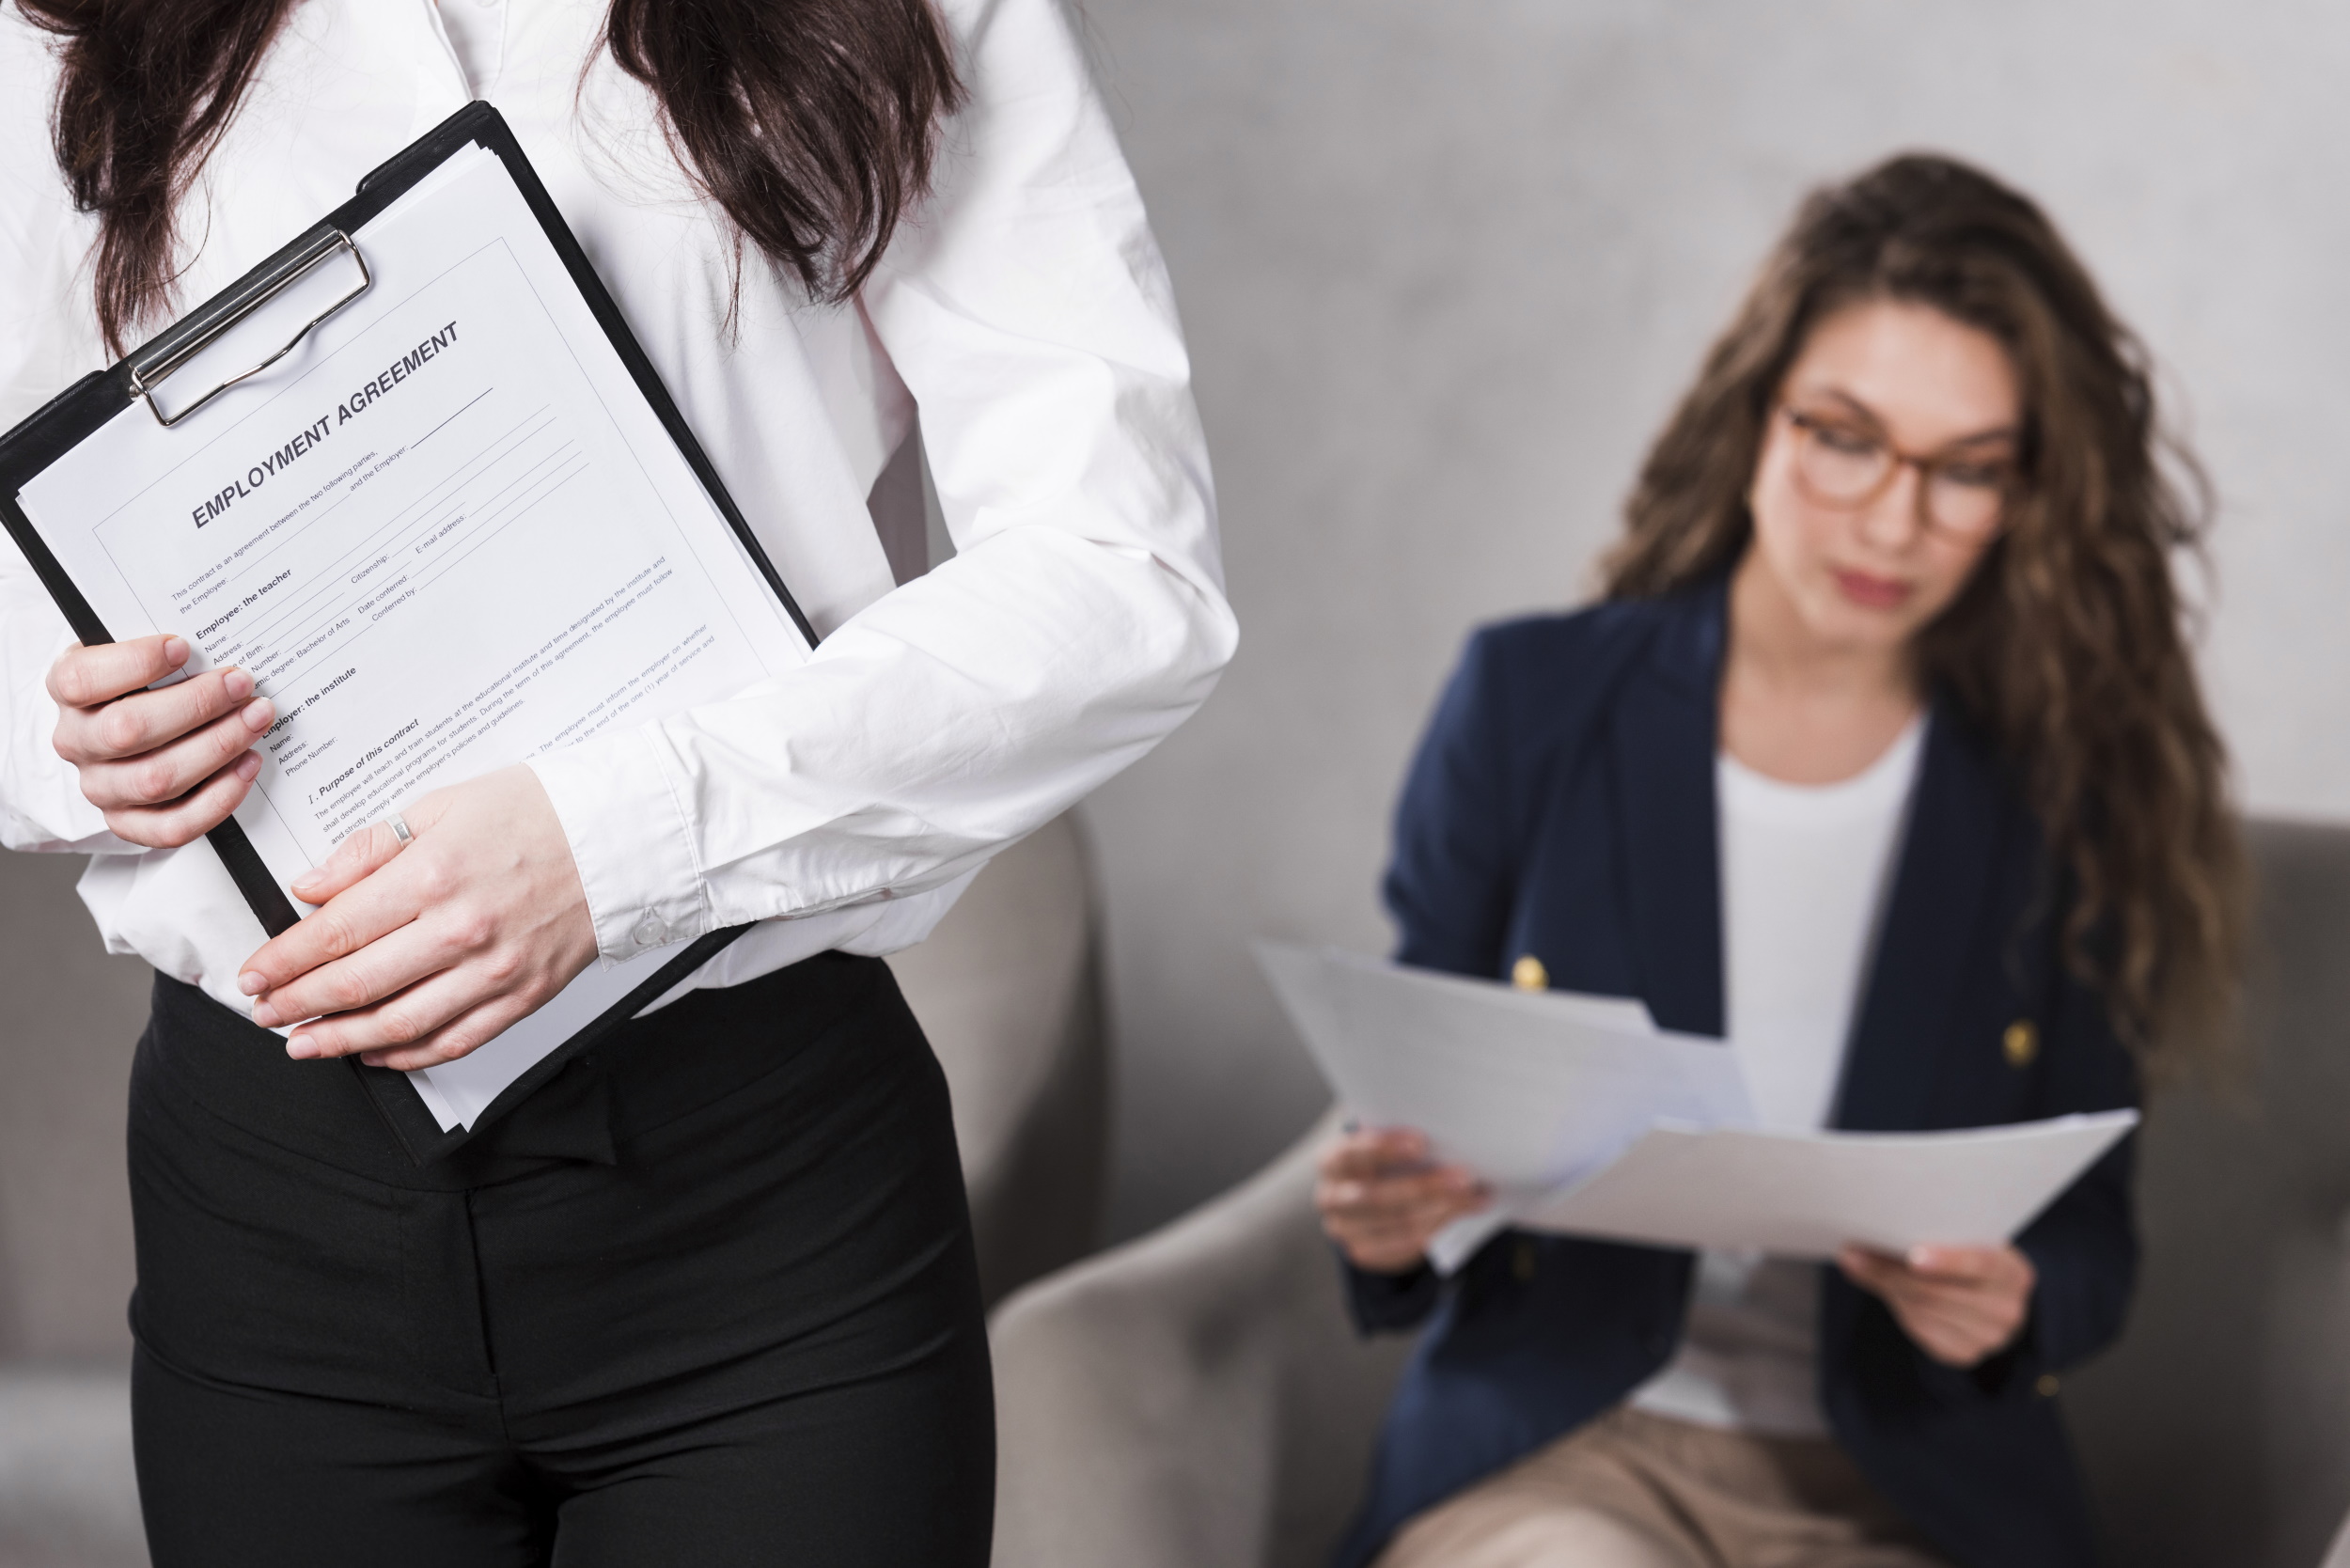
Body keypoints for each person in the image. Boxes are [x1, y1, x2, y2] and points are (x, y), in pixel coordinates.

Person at [0, 2, 1235, 1564]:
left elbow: (1124, 570)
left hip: (760, 1195)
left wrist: (625, 840)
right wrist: (59, 732)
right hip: (271, 1218)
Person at [1314, 153, 2242, 1568]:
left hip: (1905, 1491)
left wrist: (2011, 1300)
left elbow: (2093, 1247)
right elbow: (1412, 1092)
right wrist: (1385, 1219)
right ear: (1756, 417)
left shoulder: (2063, 792)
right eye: (1846, 436)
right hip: (1569, 1452)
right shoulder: (1531, 700)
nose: (1892, 519)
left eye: (1968, 471)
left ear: (2027, 494)